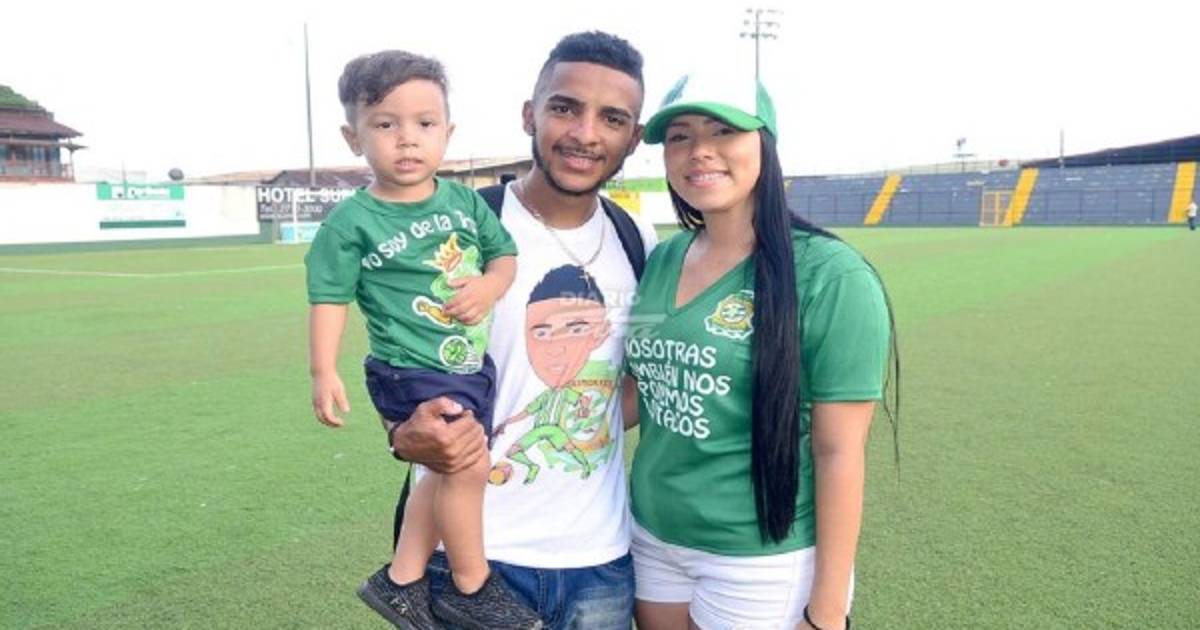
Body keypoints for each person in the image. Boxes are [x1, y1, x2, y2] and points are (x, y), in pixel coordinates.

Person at [385, 32, 658, 629]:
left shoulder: (638, 240)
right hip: (466, 562)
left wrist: (574, 418)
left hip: (601, 563)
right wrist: (402, 433)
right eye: (565, 108)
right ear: (530, 114)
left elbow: (632, 386)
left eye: (612, 118)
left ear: (634, 139)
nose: (586, 133)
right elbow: (398, 366)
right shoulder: (454, 228)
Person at [624, 73, 895, 630]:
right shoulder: (664, 258)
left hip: (761, 560)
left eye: (723, 131)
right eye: (680, 136)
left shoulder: (831, 275)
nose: (699, 150)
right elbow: (638, 391)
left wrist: (827, 611)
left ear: (765, 143)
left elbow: (839, 452)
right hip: (651, 537)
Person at [304, 50, 542, 628]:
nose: (407, 139)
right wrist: (323, 370)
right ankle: (471, 584)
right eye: (386, 124)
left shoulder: (464, 201)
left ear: (447, 133)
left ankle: (402, 579)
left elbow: (505, 256)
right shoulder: (351, 222)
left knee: (441, 470)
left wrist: (489, 286)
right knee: (466, 466)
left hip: (467, 366)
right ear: (353, 138)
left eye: (425, 123)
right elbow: (329, 297)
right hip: (409, 368)